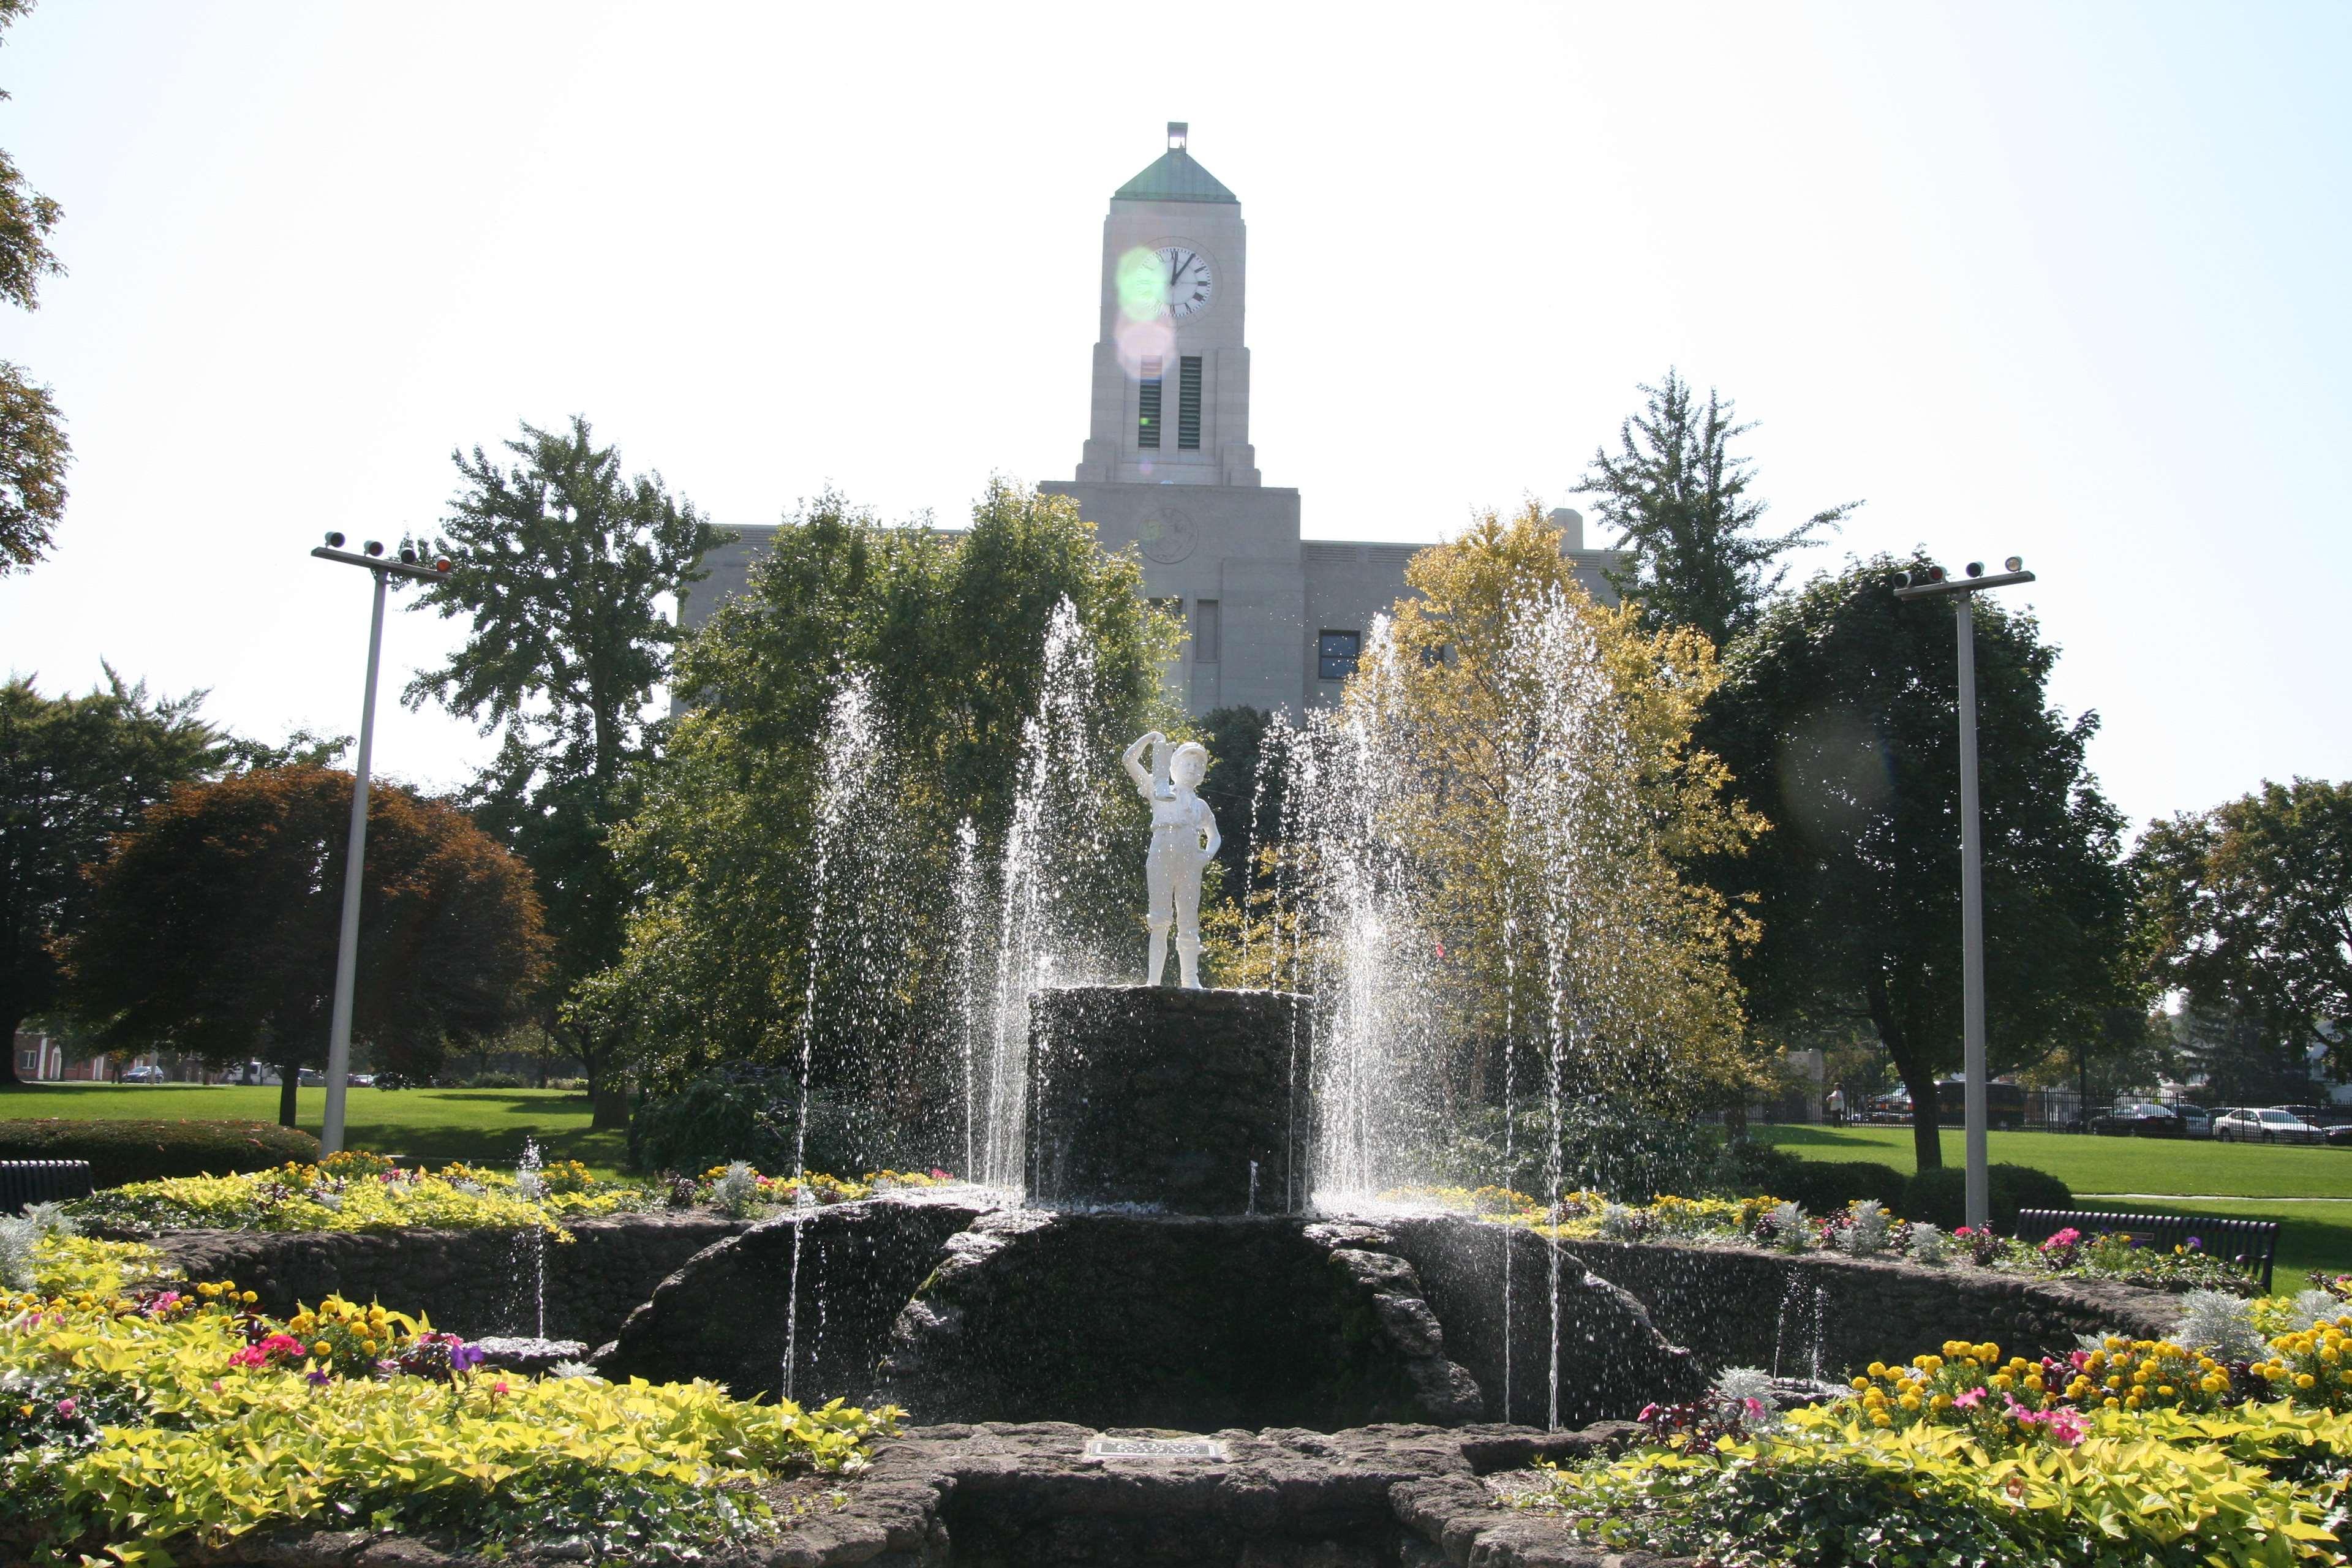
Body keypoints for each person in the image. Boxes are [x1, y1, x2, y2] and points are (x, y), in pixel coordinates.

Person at [1121, 730, 1221, 989]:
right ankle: (1154, 981)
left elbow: (1214, 836)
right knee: (1159, 920)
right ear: (1174, 766)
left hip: (1190, 861)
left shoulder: (1201, 806)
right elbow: (1129, 760)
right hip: (1161, 853)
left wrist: (1207, 856)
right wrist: (1148, 738)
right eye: (1188, 763)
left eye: (1198, 766)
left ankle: (1190, 979)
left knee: (1189, 920)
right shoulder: (1159, 789)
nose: (1193, 769)